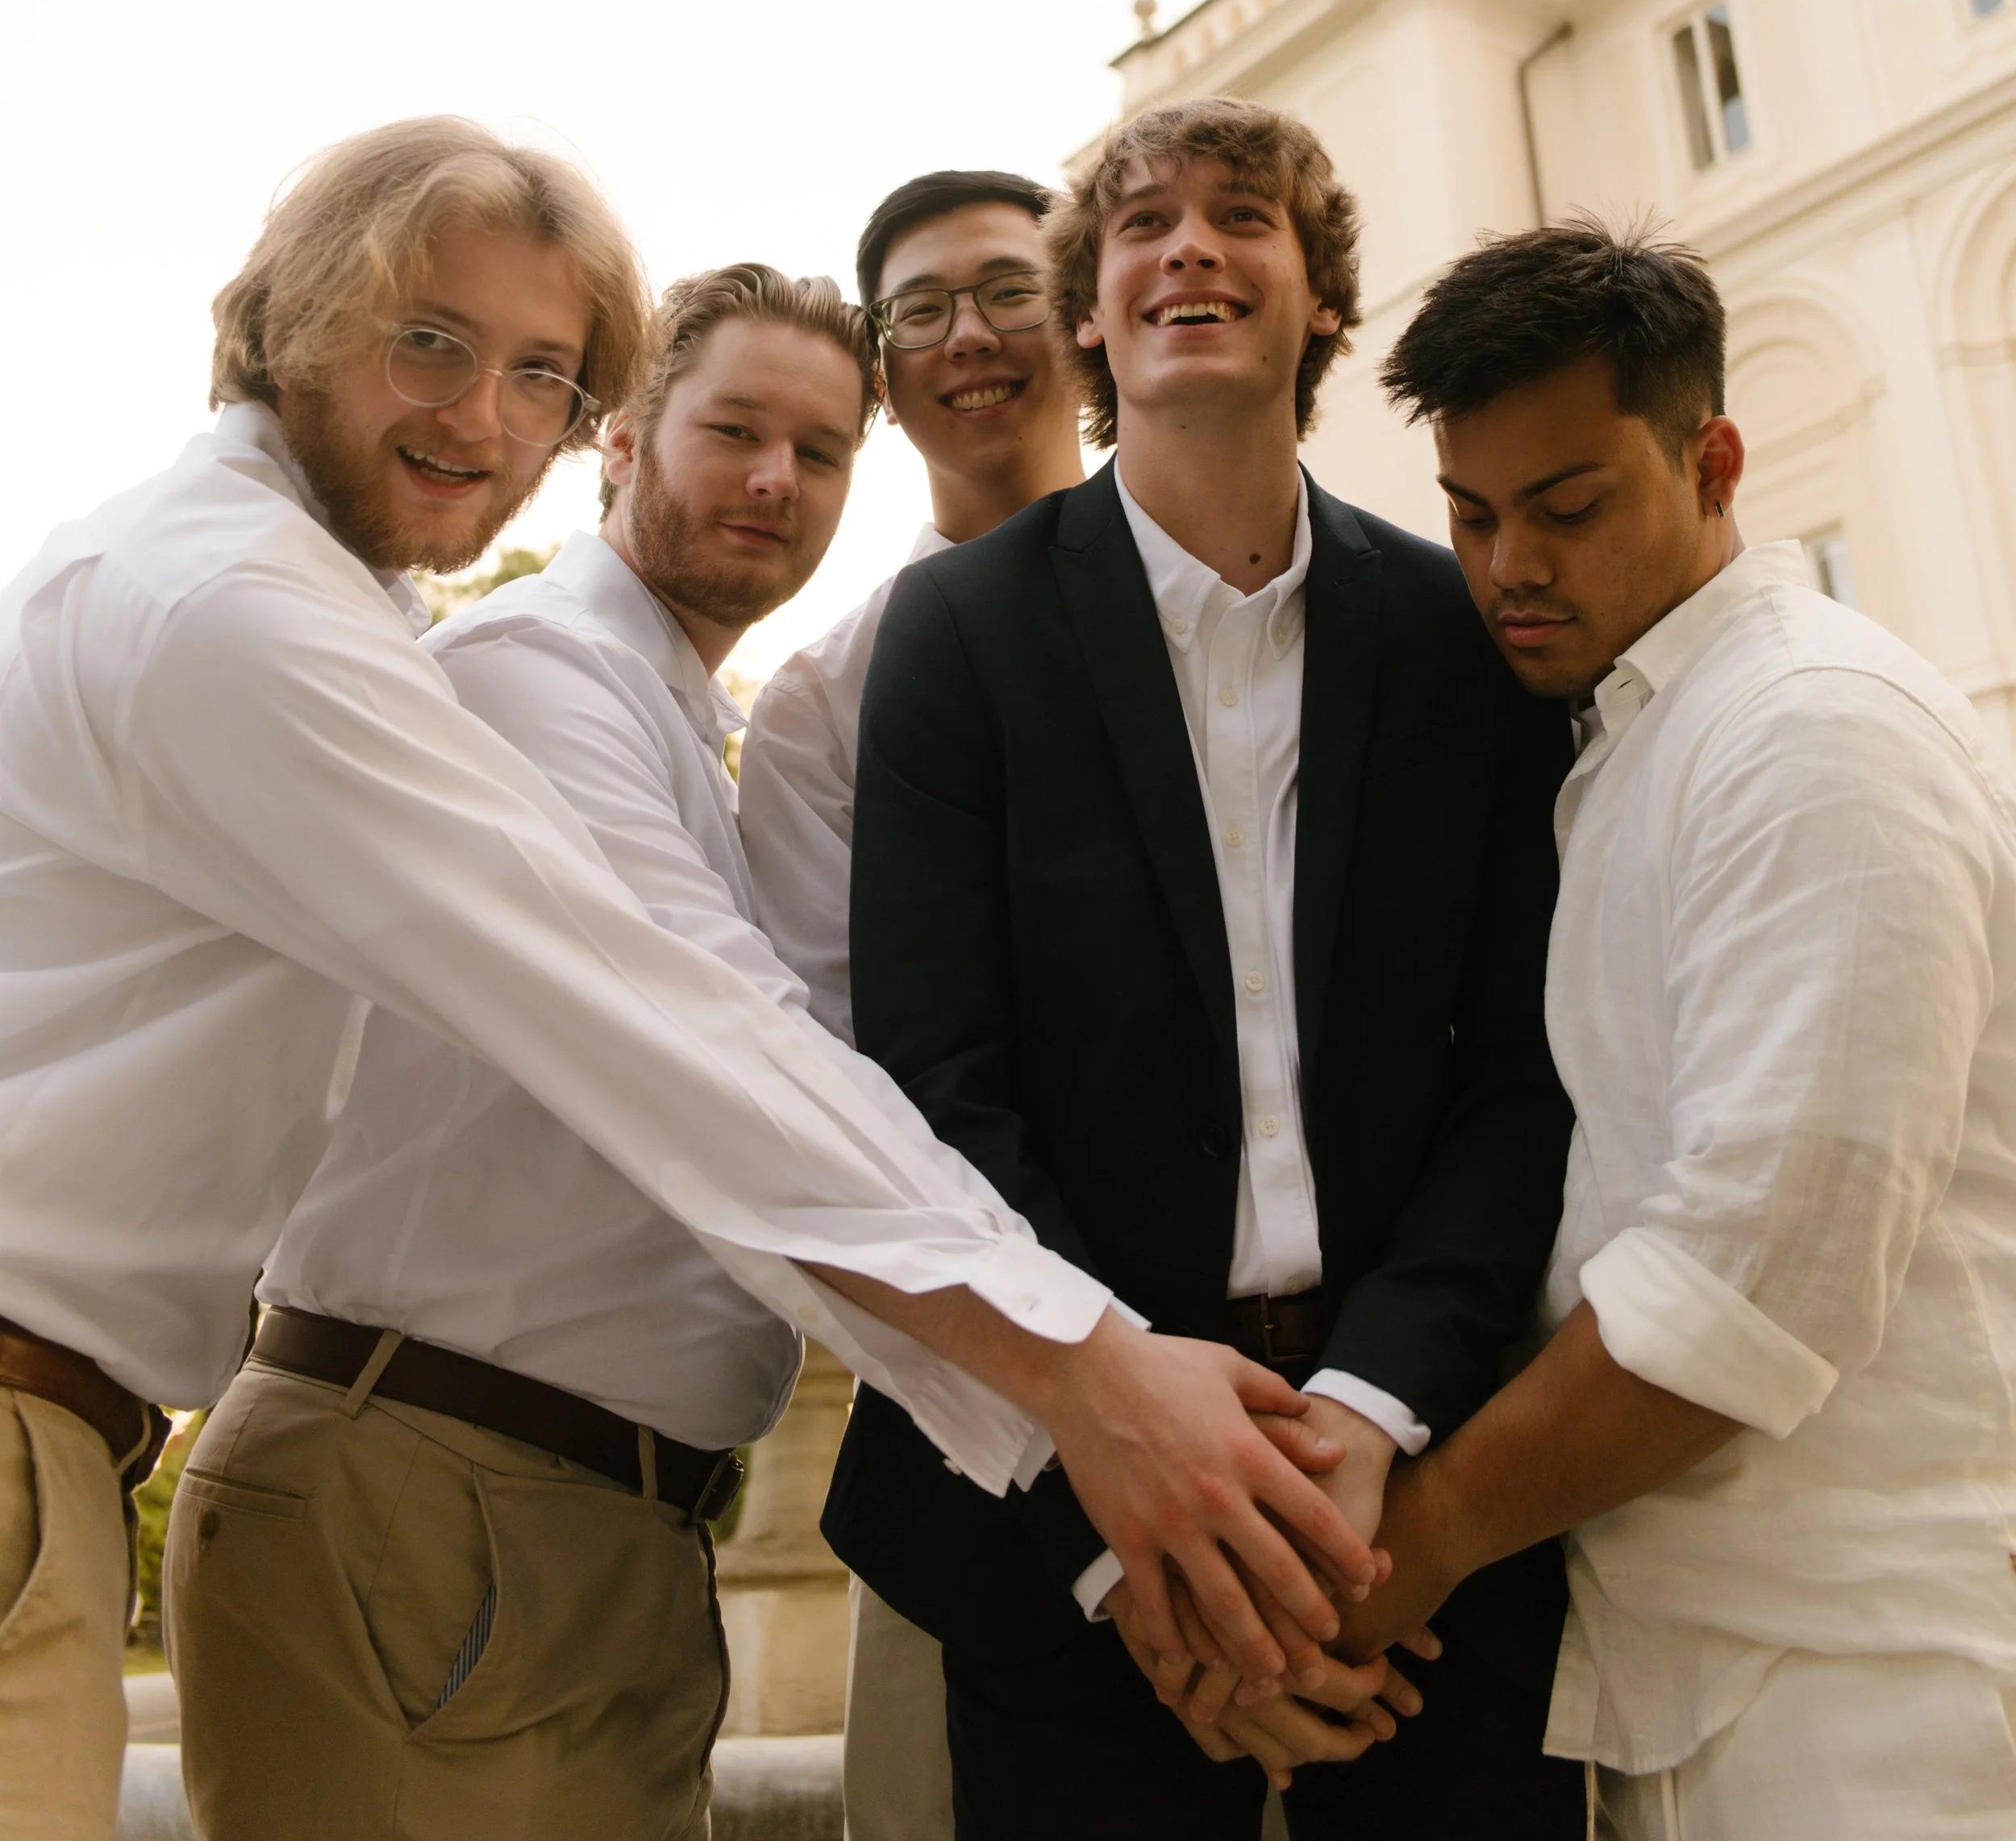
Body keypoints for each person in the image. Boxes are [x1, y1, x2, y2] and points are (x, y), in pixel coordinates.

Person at [0, 119, 1380, 1841]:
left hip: (480, 1498)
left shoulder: (525, 667)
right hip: (411, 1487)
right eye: (426, 339)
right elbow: (675, 1036)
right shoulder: (353, 638)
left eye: (535, 371)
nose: (480, 415)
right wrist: (1090, 1390)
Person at [823, 96, 1585, 1839]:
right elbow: (934, 1094)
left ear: (1319, 298)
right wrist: (1132, 1516)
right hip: (1059, 1516)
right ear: (1087, 312)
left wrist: (1368, 1411)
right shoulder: (956, 635)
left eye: (1241, 218)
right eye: (1140, 225)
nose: (1188, 248)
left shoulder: (1454, 638)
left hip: (1404, 1471)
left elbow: (1519, 1076)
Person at [170, 260, 934, 1838]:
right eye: (731, 428)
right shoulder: (532, 680)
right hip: (430, 1495)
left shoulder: (679, 729)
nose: (775, 479)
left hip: (592, 1520)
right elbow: (735, 1068)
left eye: (821, 448)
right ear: (623, 442)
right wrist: (1092, 1392)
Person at [1334, 217, 2016, 1839]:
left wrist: (1404, 1548)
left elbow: (1745, 1285)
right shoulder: (1638, 735)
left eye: (1565, 510)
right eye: (1469, 515)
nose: (1506, 568)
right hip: (1699, 1662)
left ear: (1709, 458)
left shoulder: (1808, 735)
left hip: (1865, 1684)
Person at [739, 170, 1087, 1841]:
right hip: (979, 1438)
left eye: (1008, 290)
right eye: (919, 313)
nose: (967, 338)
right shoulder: (825, 701)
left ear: (1086, 316)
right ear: (882, 376)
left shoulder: (1265, 610)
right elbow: (840, 1095)